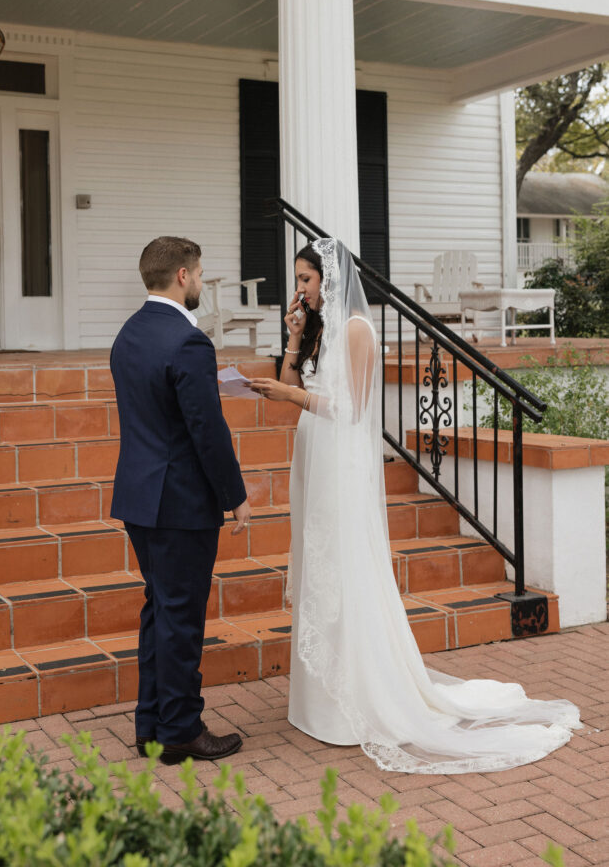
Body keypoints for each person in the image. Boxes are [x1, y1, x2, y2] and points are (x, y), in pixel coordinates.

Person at [249, 237, 581, 773]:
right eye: (299, 280)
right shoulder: (319, 330)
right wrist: (291, 342)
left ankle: (355, 699)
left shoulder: (357, 329)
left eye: (306, 280)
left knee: (346, 567)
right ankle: (318, 698)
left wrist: (294, 397)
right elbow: (290, 383)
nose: (300, 290)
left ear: (329, 279)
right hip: (313, 452)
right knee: (318, 563)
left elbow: (353, 410)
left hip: (341, 461)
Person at [110, 236, 251, 765]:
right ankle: (182, 731)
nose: (198, 281)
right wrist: (234, 495)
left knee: (160, 613)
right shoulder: (188, 343)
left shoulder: (128, 334)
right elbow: (205, 429)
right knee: (181, 619)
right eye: (199, 271)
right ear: (184, 277)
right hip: (180, 503)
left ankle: (153, 725)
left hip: (140, 499)